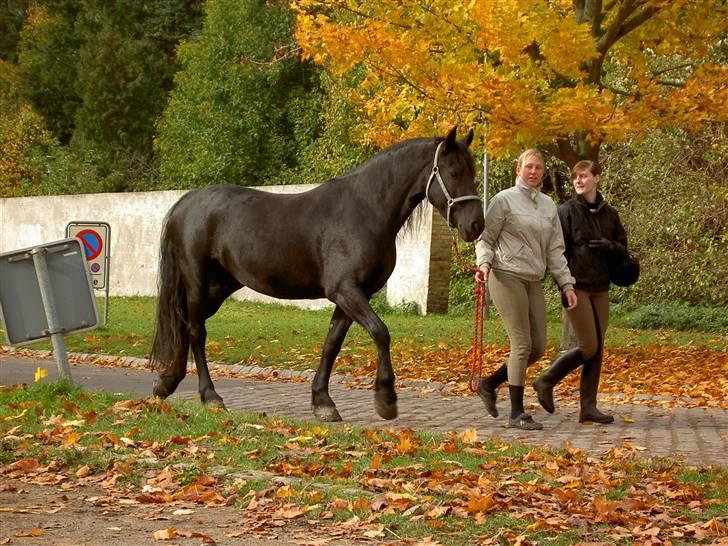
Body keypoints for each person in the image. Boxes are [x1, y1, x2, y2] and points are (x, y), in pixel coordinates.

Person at [475, 149, 577, 430]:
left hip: (533, 278)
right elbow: (485, 238)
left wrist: (566, 283)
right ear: (518, 170)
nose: (533, 172)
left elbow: (556, 250)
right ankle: (517, 413)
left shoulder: (548, 206)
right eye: (528, 167)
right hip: (505, 275)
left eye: (538, 167)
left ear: (543, 172)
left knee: (538, 347)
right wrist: (484, 265)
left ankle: (490, 383)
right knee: (521, 344)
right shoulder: (503, 200)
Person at [533, 160, 628, 424]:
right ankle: (546, 379)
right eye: (576, 177)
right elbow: (556, 252)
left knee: (597, 348)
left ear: (597, 178)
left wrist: (610, 246)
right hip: (576, 286)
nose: (578, 181)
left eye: (584, 176)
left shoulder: (610, 214)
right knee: (588, 345)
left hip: (601, 286)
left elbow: (623, 247)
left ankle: (588, 407)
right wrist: (564, 285)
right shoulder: (566, 212)